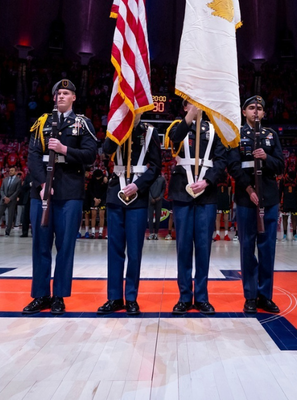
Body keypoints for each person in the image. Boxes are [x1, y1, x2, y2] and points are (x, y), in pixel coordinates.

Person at [23, 80, 98, 316]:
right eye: (58, 93)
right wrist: (42, 183)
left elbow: (90, 155)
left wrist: (66, 150)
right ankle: (40, 295)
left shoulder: (82, 123)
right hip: (43, 191)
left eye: (66, 93)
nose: (61, 96)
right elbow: (33, 156)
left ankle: (59, 296)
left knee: (65, 246)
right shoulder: (42, 122)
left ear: (74, 97)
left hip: (70, 192)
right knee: (40, 245)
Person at [165, 101, 226, 315]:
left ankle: (201, 297)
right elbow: (173, 141)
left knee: (203, 247)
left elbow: (221, 160)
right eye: (192, 102)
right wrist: (189, 116)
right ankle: (184, 296)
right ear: (184, 106)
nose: (197, 105)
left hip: (206, 193)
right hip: (183, 191)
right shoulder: (176, 125)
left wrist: (208, 181)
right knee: (183, 247)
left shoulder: (214, 129)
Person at [97, 119, 161, 315]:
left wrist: (139, 185)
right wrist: (118, 126)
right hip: (116, 192)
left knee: (134, 251)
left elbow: (156, 165)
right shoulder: (116, 125)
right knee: (115, 250)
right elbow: (106, 150)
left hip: (137, 195)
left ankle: (131, 297)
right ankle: (114, 298)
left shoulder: (149, 131)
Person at [228, 95, 285, 315]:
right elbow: (233, 166)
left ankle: (265, 295)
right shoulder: (236, 135)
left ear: (263, 113)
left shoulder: (271, 135)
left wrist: (266, 158)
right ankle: (250, 295)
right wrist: (249, 189)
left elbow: (280, 165)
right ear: (244, 112)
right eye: (251, 108)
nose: (255, 111)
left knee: (268, 248)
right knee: (247, 247)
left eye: (259, 108)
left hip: (269, 198)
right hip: (245, 198)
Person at [0, 167, 22, 236]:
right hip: (3, 199)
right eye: (10, 170)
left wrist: (10, 198)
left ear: (15, 172)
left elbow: (17, 191)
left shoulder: (18, 180)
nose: (10, 172)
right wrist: (4, 197)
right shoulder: (5, 179)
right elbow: (1, 189)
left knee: (10, 216)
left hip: (12, 200)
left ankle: (7, 232)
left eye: (12, 170)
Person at [280, 172, 297, 242]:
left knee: (294, 218)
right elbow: (280, 192)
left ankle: (295, 235)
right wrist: (280, 202)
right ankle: (284, 235)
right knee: (284, 218)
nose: (291, 180)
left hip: (294, 202)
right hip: (285, 202)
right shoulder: (283, 181)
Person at [148, 170, 166, 240]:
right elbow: (147, 189)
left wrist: (160, 197)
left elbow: (163, 189)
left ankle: (156, 233)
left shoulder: (162, 179)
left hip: (159, 200)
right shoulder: (150, 178)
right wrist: (150, 198)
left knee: (158, 217)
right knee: (150, 217)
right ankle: (151, 233)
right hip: (150, 200)